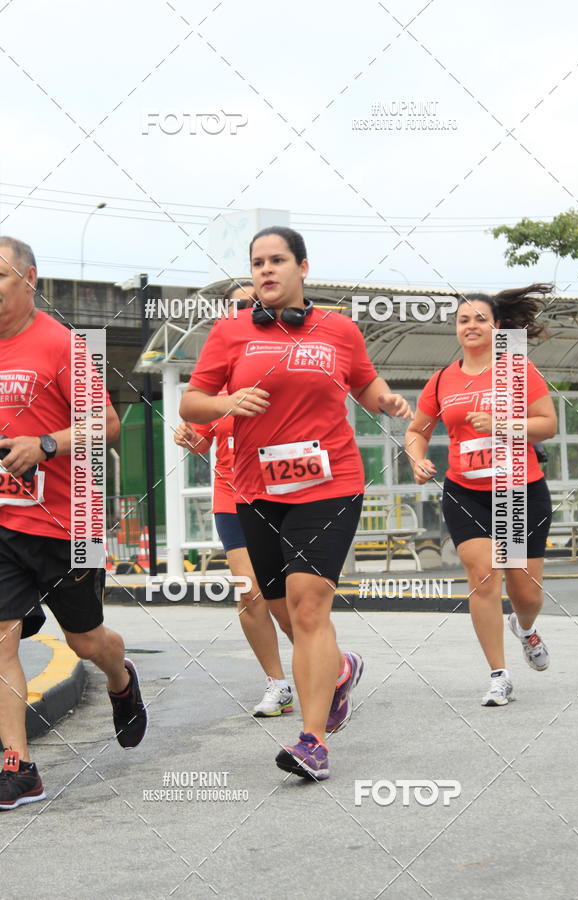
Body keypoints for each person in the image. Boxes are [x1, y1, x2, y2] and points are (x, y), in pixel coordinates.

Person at [180, 226, 412, 780]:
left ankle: (312, 741)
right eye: (257, 262)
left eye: (277, 260)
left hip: (328, 483)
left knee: (309, 606)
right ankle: (337, 670)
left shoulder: (339, 329)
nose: (266, 270)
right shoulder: (231, 331)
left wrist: (388, 400)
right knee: (277, 604)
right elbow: (192, 400)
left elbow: (366, 385)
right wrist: (226, 401)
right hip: (256, 488)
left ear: (302, 267)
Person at [0, 237, 147, 810]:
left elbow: (106, 425)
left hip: (72, 520)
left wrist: (45, 444)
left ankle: (121, 676)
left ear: (29, 279)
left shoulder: (64, 346)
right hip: (5, 522)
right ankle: (19, 765)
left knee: (86, 640)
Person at [405, 284, 556, 706]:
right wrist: (416, 458)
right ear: (456, 329)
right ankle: (498, 674)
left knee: (526, 593)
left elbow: (547, 424)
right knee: (483, 577)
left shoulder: (518, 370)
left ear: (498, 326)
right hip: (466, 491)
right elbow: (417, 430)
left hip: (518, 489)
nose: (471, 325)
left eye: (480, 319)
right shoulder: (441, 380)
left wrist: (503, 425)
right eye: (463, 319)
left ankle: (525, 628)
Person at [175, 280, 295, 717]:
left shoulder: (292, 360)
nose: (246, 311)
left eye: (254, 305)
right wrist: (191, 436)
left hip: (288, 494)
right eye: (238, 307)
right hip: (233, 497)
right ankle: (277, 683)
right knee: (249, 591)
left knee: (289, 598)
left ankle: (328, 666)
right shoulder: (219, 372)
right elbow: (202, 438)